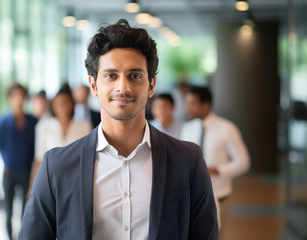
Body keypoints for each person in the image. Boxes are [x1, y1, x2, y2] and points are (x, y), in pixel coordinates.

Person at [19, 19, 218, 239]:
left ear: (151, 85)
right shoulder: (56, 166)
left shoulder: (188, 160)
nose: (122, 87)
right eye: (111, 75)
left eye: (135, 76)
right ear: (93, 85)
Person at [180, 86, 250, 232]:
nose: (187, 108)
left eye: (192, 104)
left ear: (206, 105)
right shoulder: (187, 128)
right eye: (186, 103)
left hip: (219, 195)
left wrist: (217, 170)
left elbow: (244, 162)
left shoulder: (227, 128)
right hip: (192, 198)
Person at [28, 83, 92, 199]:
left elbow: (88, 159)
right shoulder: (43, 126)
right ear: (53, 106)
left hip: (76, 181)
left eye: (66, 103)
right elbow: (38, 159)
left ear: (72, 104)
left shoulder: (84, 126)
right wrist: (32, 186)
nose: (63, 107)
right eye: (58, 104)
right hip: (50, 180)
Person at [0, 83, 38, 240]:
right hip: (9, 171)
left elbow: (36, 148)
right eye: (15, 96)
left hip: (27, 171)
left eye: (21, 96)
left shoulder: (33, 121)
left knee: (25, 208)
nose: (19, 99)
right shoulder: (2, 122)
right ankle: (9, 236)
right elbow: (0, 146)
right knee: (7, 209)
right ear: (9, 98)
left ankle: (22, 235)